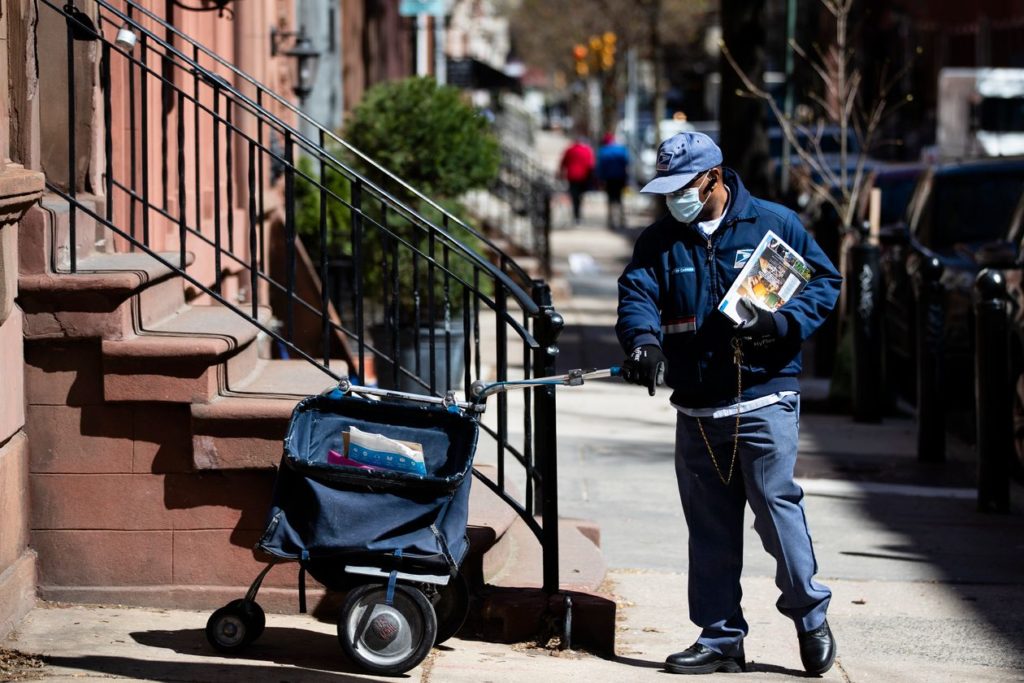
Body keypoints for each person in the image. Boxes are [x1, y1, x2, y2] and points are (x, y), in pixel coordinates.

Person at [616, 132, 842, 676]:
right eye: (665, 189)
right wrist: (642, 342)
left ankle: (810, 616)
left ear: (713, 178)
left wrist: (780, 321)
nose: (673, 199)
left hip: (764, 398)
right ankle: (721, 638)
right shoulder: (660, 241)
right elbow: (637, 295)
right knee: (710, 530)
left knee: (776, 512)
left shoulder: (774, 224)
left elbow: (823, 284)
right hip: (697, 407)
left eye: (682, 187)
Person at [596, 132, 630, 229]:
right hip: (620, 178)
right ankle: (621, 219)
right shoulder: (621, 150)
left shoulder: (603, 151)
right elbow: (627, 164)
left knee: (610, 199)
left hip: (609, 179)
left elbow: (600, 167)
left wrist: (600, 179)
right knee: (620, 198)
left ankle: (611, 220)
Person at [559, 134, 596, 224]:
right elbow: (591, 164)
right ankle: (578, 215)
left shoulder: (570, 150)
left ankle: (576, 215)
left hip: (572, 176)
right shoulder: (587, 150)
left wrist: (560, 173)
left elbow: (563, 162)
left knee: (574, 196)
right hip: (583, 176)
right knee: (579, 196)